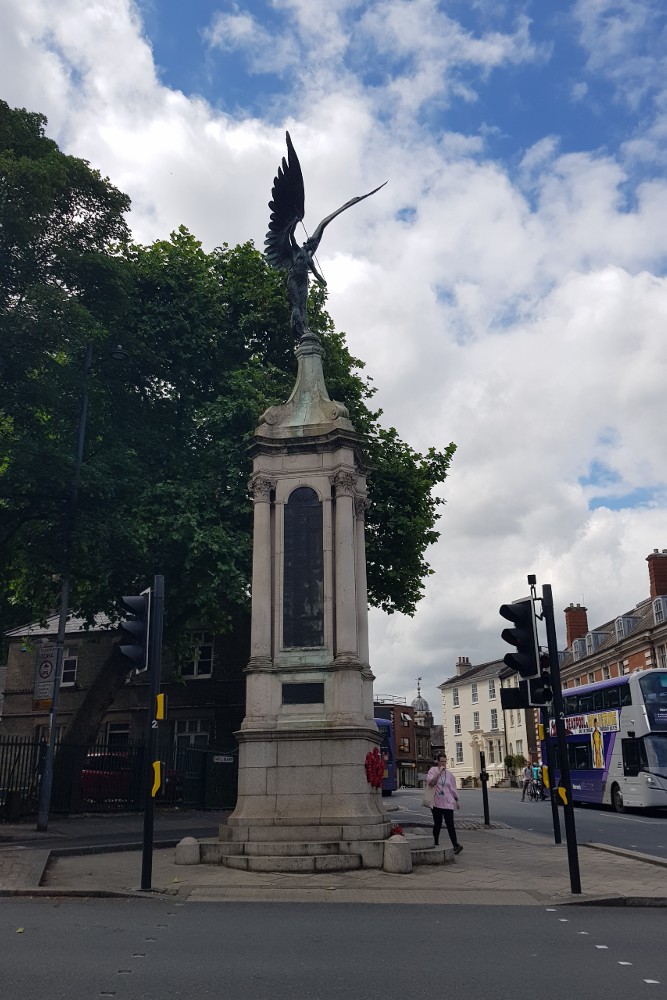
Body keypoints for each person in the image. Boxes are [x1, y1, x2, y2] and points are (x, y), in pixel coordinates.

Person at [426, 754, 463, 854]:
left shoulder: (449, 774)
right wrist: (438, 773)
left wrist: (457, 800)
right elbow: (430, 783)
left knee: (450, 824)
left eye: (445, 762)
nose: (443, 764)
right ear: (438, 762)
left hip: (448, 802)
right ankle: (435, 842)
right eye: (441, 761)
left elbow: (453, 788)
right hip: (436, 803)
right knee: (437, 824)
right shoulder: (433, 770)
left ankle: (455, 845)